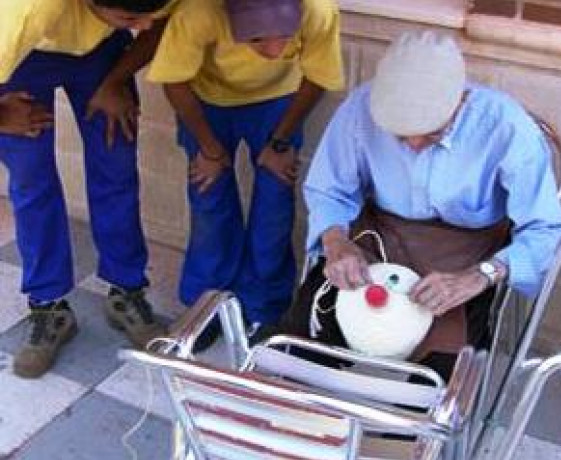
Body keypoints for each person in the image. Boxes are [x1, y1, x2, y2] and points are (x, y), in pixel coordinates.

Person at [282, 30, 561, 379]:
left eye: (432, 132)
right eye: (400, 136)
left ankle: (411, 431)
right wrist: (335, 242)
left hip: (468, 253)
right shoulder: (359, 108)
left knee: (441, 380)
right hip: (380, 235)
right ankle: (314, 426)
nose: (415, 144)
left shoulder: (506, 127)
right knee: (303, 343)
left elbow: (546, 229)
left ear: (460, 101)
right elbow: (329, 190)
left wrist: (482, 275)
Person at [146, 0, 344, 344]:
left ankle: (264, 309)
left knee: (275, 202)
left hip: (279, 101)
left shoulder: (318, 9)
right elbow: (175, 81)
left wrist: (280, 142)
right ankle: (205, 304)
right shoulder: (198, 12)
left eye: (285, 36)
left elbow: (317, 76)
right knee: (209, 198)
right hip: (206, 101)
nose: (274, 50)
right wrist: (209, 148)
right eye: (256, 39)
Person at [0, 0, 174, 378]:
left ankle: (126, 290)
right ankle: (49, 306)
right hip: (26, 55)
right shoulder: (24, 11)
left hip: (102, 51)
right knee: (31, 176)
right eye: (131, 17)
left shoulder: (141, 14)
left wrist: (115, 81)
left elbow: (160, 24)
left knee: (116, 162)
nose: (144, 25)